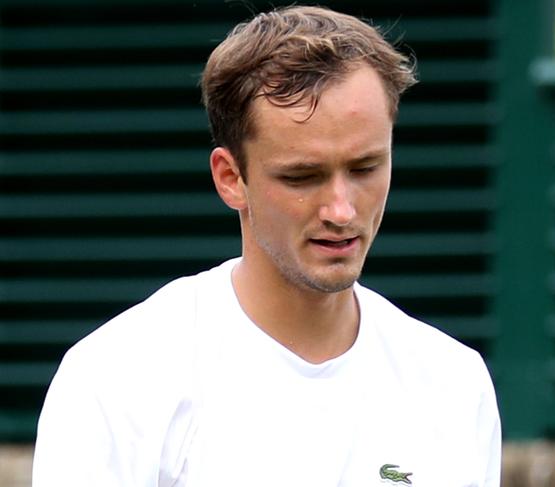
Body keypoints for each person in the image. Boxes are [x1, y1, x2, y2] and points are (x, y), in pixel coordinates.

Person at [32, 5, 501, 486]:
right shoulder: (115, 379)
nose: (341, 210)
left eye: (365, 168)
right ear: (231, 178)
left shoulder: (454, 385)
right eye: (302, 176)